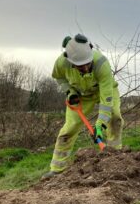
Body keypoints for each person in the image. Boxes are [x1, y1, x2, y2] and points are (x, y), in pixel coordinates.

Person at [42, 34, 124, 179]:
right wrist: (70, 91)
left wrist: (100, 126)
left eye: (87, 63)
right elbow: (58, 78)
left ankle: (115, 159)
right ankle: (57, 169)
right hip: (81, 95)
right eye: (80, 66)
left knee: (115, 118)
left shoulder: (101, 64)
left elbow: (106, 101)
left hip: (104, 90)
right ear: (70, 61)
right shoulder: (61, 63)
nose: (85, 68)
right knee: (69, 129)